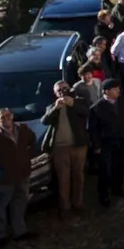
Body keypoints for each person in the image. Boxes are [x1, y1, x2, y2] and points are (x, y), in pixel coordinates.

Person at [0, 108, 37, 245]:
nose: (6, 119)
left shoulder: (23, 129)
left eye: (8, 116)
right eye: (2, 117)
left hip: (23, 174)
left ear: (12, 116)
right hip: (5, 179)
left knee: (20, 202)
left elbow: (33, 140)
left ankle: (20, 231)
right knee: (1, 206)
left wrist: (27, 157)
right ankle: (1, 235)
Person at [41, 81, 90, 216]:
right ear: (55, 94)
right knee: (63, 179)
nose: (62, 92)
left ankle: (78, 203)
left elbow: (86, 112)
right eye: (59, 90)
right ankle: (65, 207)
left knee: (78, 176)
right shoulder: (52, 106)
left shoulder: (78, 101)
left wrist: (72, 103)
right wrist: (55, 109)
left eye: (64, 88)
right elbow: (44, 120)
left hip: (78, 146)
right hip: (59, 148)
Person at [89, 79, 124, 206]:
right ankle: (104, 196)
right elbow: (92, 129)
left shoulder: (122, 102)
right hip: (105, 144)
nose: (118, 91)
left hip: (120, 141)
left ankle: (117, 188)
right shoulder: (96, 108)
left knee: (119, 166)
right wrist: (97, 146)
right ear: (107, 91)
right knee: (105, 171)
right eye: (115, 89)